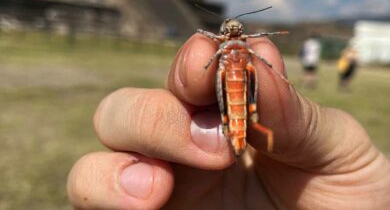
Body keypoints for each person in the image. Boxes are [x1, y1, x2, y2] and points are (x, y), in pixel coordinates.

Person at [67, 34, 390, 209]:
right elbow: (209, 64)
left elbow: (260, 60)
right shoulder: (219, 50)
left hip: (244, 90)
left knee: (248, 98)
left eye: (239, 32)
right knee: (223, 103)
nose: (235, 34)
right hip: (227, 89)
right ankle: (232, 140)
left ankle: (239, 135)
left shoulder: (248, 50)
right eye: (229, 32)